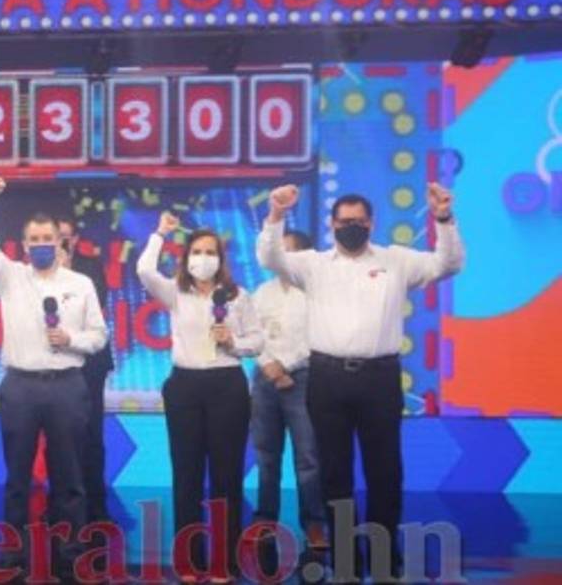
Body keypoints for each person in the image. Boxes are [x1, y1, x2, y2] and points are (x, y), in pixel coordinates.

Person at [257, 185, 464, 581]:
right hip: (327, 378)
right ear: (332, 225)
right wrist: (276, 214)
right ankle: (346, 560)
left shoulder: (396, 260)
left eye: (358, 221)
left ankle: (384, 559)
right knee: (334, 473)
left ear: (371, 223)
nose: (350, 227)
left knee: (385, 472)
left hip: (379, 378)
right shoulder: (313, 264)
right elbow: (269, 256)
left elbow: (448, 264)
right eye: (343, 222)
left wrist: (443, 218)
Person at [0, 176, 109, 578]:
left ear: (60, 241)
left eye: (48, 238)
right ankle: (13, 552)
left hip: (67, 386)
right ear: (24, 244)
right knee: (17, 477)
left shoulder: (81, 284)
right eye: (34, 239)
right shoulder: (11, 276)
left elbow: (99, 336)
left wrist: (71, 340)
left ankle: (70, 553)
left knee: (69, 477)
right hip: (20, 387)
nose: (41, 244)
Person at [136, 211, 262, 583]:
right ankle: (189, 560)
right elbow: (144, 270)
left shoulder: (238, 296)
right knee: (187, 475)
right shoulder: (176, 292)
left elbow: (258, 340)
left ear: (220, 259)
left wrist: (233, 342)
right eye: (197, 252)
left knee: (226, 476)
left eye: (210, 252)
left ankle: (224, 561)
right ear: (186, 257)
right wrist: (160, 233)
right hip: (185, 387)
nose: (203, 258)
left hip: (227, 385)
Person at [250, 229, 328, 551]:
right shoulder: (262, 293)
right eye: (278, 250)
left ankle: (314, 524)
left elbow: (319, 337)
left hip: (303, 378)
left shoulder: (316, 294)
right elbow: (251, 334)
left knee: (308, 457)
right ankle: (265, 521)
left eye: (289, 251)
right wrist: (269, 364)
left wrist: (285, 366)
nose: (281, 257)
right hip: (264, 380)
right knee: (266, 455)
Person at [57, 217, 115, 526]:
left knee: (92, 435)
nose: (61, 243)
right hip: (54, 363)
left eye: (66, 238)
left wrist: (66, 271)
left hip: (90, 364)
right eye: (57, 237)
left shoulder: (90, 267)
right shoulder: (36, 273)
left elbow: (96, 304)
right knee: (59, 437)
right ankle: (61, 506)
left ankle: (96, 508)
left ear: (76, 239)